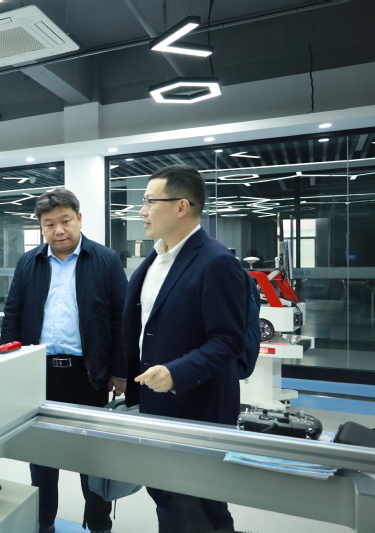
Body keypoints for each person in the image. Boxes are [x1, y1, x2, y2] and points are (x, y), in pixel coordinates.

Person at [123, 165, 246, 532]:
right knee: (167, 497)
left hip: (197, 406)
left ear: (181, 206)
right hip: (156, 402)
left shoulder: (216, 261)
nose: (142, 210)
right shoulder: (155, 260)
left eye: (150, 201)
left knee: (201, 506)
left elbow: (228, 341)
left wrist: (176, 372)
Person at [0, 189, 128, 533]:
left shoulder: (105, 260)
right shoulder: (29, 262)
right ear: (41, 227)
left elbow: (121, 318)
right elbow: (12, 315)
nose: (58, 230)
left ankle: (99, 524)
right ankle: (43, 524)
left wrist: (120, 370)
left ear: (79, 219)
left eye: (65, 221)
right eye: (49, 224)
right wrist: (9, 366)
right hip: (40, 374)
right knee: (42, 460)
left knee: (93, 459)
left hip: (89, 375)